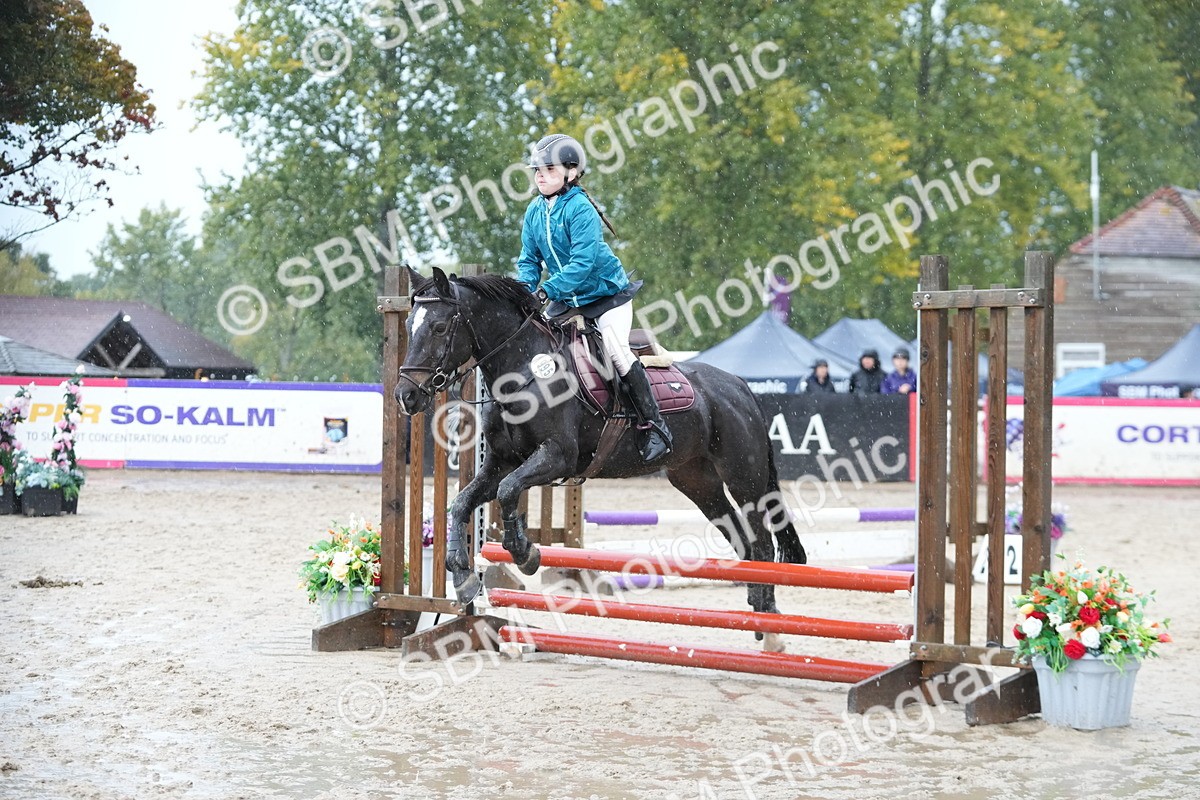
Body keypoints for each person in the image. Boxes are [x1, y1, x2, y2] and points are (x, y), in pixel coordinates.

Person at [515, 133, 671, 462]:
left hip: (606, 295)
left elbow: (582, 265)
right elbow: (529, 261)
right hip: (567, 299)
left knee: (615, 349)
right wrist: (525, 291)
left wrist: (547, 290)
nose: (540, 175)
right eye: (537, 170)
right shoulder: (533, 211)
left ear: (572, 173)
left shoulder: (580, 208)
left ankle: (654, 425)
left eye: (549, 169)